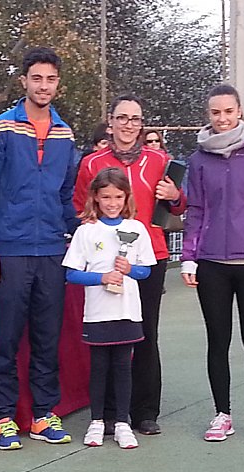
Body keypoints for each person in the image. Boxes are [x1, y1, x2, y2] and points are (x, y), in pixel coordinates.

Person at [0, 47, 79, 450]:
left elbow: (65, 194)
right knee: (6, 338)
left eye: (50, 79)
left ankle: (43, 415)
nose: (43, 86)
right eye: (37, 78)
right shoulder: (0, 129)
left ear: (58, 84)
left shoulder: (65, 134)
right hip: (11, 250)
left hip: (52, 251)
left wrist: (81, 234)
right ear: (24, 81)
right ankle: (4, 418)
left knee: (47, 338)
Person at [74, 94, 186, 436]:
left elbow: (179, 207)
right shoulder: (92, 163)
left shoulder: (159, 160)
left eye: (135, 119)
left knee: (145, 333)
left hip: (149, 257)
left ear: (141, 125)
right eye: (122, 118)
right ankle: (109, 413)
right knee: (109, 335)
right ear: (111, 122)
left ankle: (145, 411)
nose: (128, 125)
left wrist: (175, 197)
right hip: (105, 263)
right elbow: (79, 207)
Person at [181, 84, 244, 444]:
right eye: (215, 112)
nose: (222, 119)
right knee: (217, 341)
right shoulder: (198, 160)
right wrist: (189, 258)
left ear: (239, 112)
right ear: (208, 114)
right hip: (211, 264)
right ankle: (222, 414)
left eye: (228, 111)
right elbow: (196, 210)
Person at [64, 167, 156, 449]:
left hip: (127, 311)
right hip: (97, 313)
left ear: (126, 197)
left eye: (118, 197)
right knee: (99, 367)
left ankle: (122, 423)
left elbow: (146, 271)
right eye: (106, 197)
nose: (112, 203)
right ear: (95, 197)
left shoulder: (136, 229)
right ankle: (97, 421)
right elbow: (71, 274)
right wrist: (101, 278)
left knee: (123, 366)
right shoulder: (86, 231)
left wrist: (129, 269)